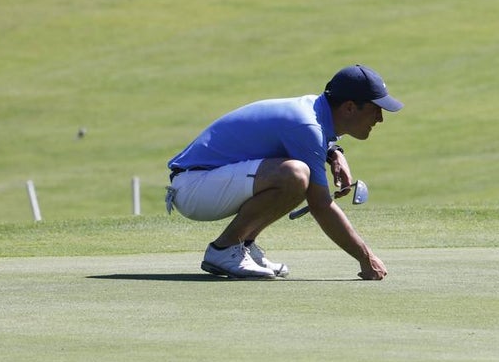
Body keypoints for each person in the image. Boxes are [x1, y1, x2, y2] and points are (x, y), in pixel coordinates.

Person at [165, 64, 403, 280]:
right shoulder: (308, 125)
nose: (380, 118)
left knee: (299, 174)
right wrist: (366, 257)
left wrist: (334, 152)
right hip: (194, 188)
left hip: (204, 182)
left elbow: (312, 138)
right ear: (350, 107)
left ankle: (243, 245)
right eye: (375, 109)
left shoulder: (315, 111)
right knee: (296, 175)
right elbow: (320, 205)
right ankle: (225, 248)